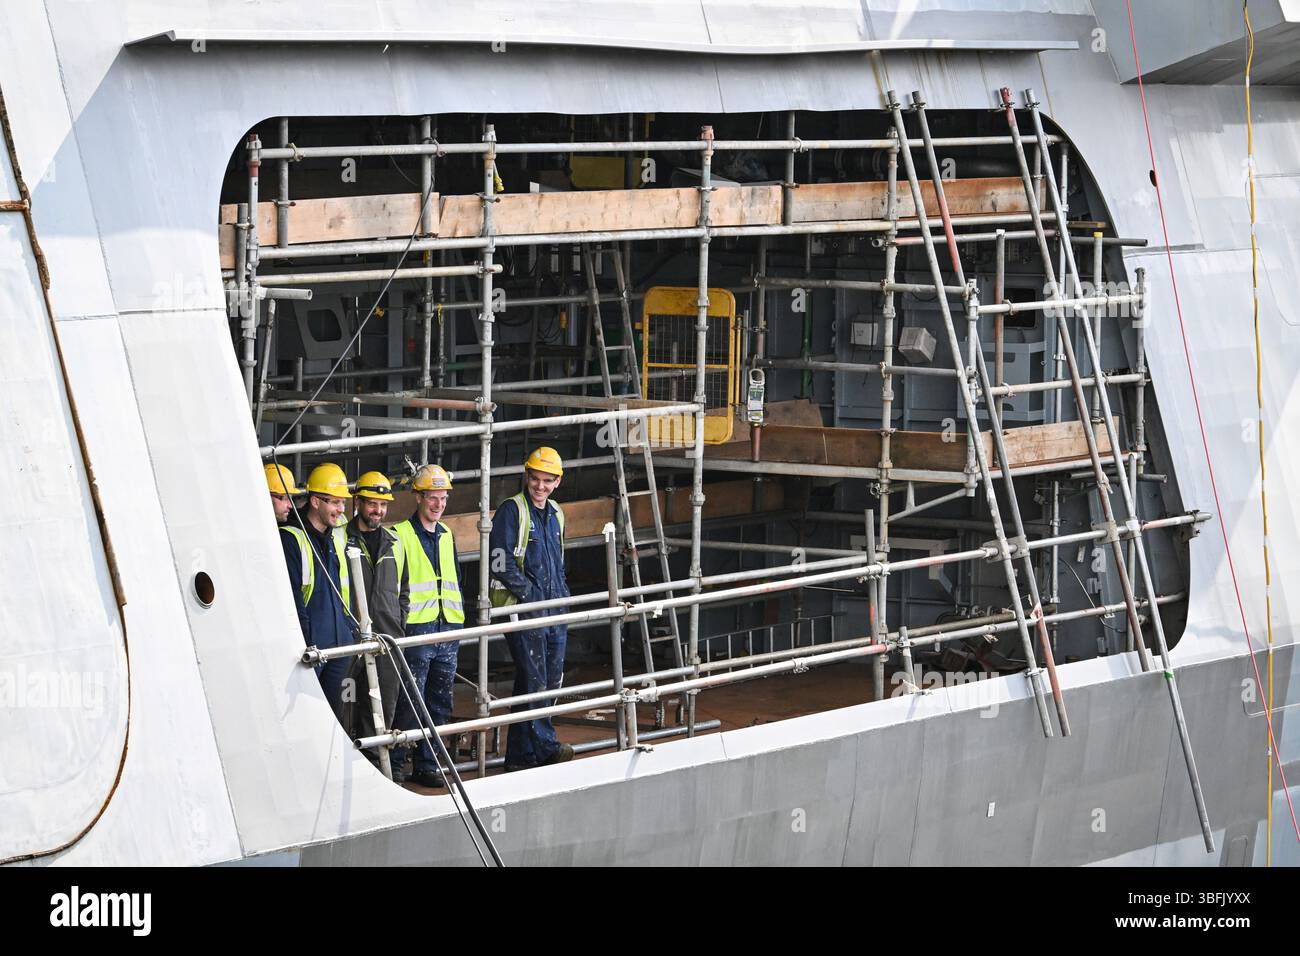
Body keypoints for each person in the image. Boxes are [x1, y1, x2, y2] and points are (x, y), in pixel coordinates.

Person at [489, 446, 574, 771]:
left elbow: (558, 562)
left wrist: (560, 598)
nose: (540, 486)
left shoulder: (556, 514)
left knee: (543, 681)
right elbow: (499, 561)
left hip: (555, 610)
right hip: (524, 610)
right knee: (536, 678)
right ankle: (546, 747)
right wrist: (530, 596)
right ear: (527, 477)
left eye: (547, 480)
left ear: (557, 482)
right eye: (535, 479)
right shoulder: (513, 510)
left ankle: (519, 759)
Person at [390, 465, 464, 787]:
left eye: (443, 498)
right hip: (417, 631)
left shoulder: (446, 536)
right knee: (409, 701)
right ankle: (394, 764)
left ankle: (427, 764)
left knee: (439, 701)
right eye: (432, 498)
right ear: (418, 498)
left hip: (447, 629)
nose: (438, 504)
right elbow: (393, 587)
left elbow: (456, 579)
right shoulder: (401, 535)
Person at [342, 471, 408, 773]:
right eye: (372, 503)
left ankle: (373, 772)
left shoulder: (394, 542)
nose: (377, 511)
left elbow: (404, 589)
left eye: (382, 505)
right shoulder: (340, 538)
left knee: (381, 708)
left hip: (385, 640)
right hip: (349, 638)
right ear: (358, 502)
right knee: (346, 705)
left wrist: (397, 620)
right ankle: (346, 769)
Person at [280, 462, 357, 719]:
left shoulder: (336, 534)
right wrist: (303, 640)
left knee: (334, 719)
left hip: (338, 644)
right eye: (334, 502)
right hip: (311, 648)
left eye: (342, 503)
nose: (340, 509)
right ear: (315, 502)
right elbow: (292, 596)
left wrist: (348, 630)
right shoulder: (292, 538)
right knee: (306, 719)